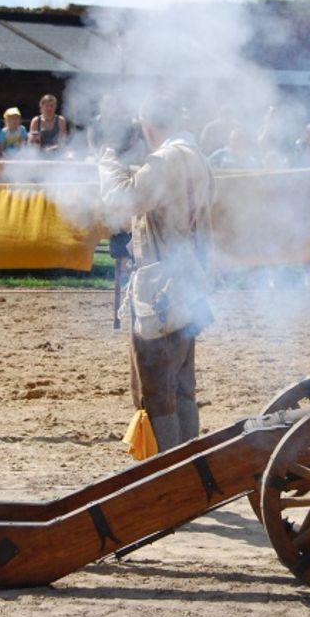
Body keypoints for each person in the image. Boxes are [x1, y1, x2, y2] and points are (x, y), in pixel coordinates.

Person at [99, 94, 216, 452]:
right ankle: (189, 467)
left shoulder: (167, 160)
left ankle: (165, 473)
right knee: (181, 383)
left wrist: (107, 162)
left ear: (148, 123)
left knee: (155, 387)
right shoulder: (195, 156)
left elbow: (122, 200)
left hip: (161, 288)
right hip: (188, 280)